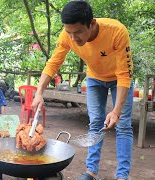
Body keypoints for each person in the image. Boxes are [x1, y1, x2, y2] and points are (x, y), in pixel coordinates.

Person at [31, 1, 133, 180]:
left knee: (123, 125)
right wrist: (39, 92)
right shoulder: (67, 35)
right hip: (94, 78)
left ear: (92, 23)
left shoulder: (116, 31)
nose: (73, 38)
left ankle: (122, 175)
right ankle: (91, 172)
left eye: (78, 32)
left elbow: (124, 74)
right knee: (95, 123)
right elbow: (54, 63)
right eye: (69, 32)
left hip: (119, 79)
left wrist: (116, 111)